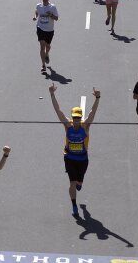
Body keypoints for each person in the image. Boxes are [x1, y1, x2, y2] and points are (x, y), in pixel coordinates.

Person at [49, 84, 101, 215]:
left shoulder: (85, 126)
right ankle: (74, 205)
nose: (76, 120)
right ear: (72, 117)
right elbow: (58, 111)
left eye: (78, 118)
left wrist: (97, 98)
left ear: (81, 117)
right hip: (70, 157)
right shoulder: (68, 126)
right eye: (74, 118)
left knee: (79, 181)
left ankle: (80, 182)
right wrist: (52, 94)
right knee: (72, 183)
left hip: (83, 159)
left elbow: (92, 113)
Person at [34, 0, 59, 73]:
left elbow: (56, 18)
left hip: (49, 30)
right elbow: (37, 12)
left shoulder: (52, 7)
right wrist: (35, 17)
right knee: (42, 46)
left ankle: (47, 54)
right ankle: (43, 65)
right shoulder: (39, 6)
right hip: (40, 28)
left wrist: (51, 15)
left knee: (47, 46)